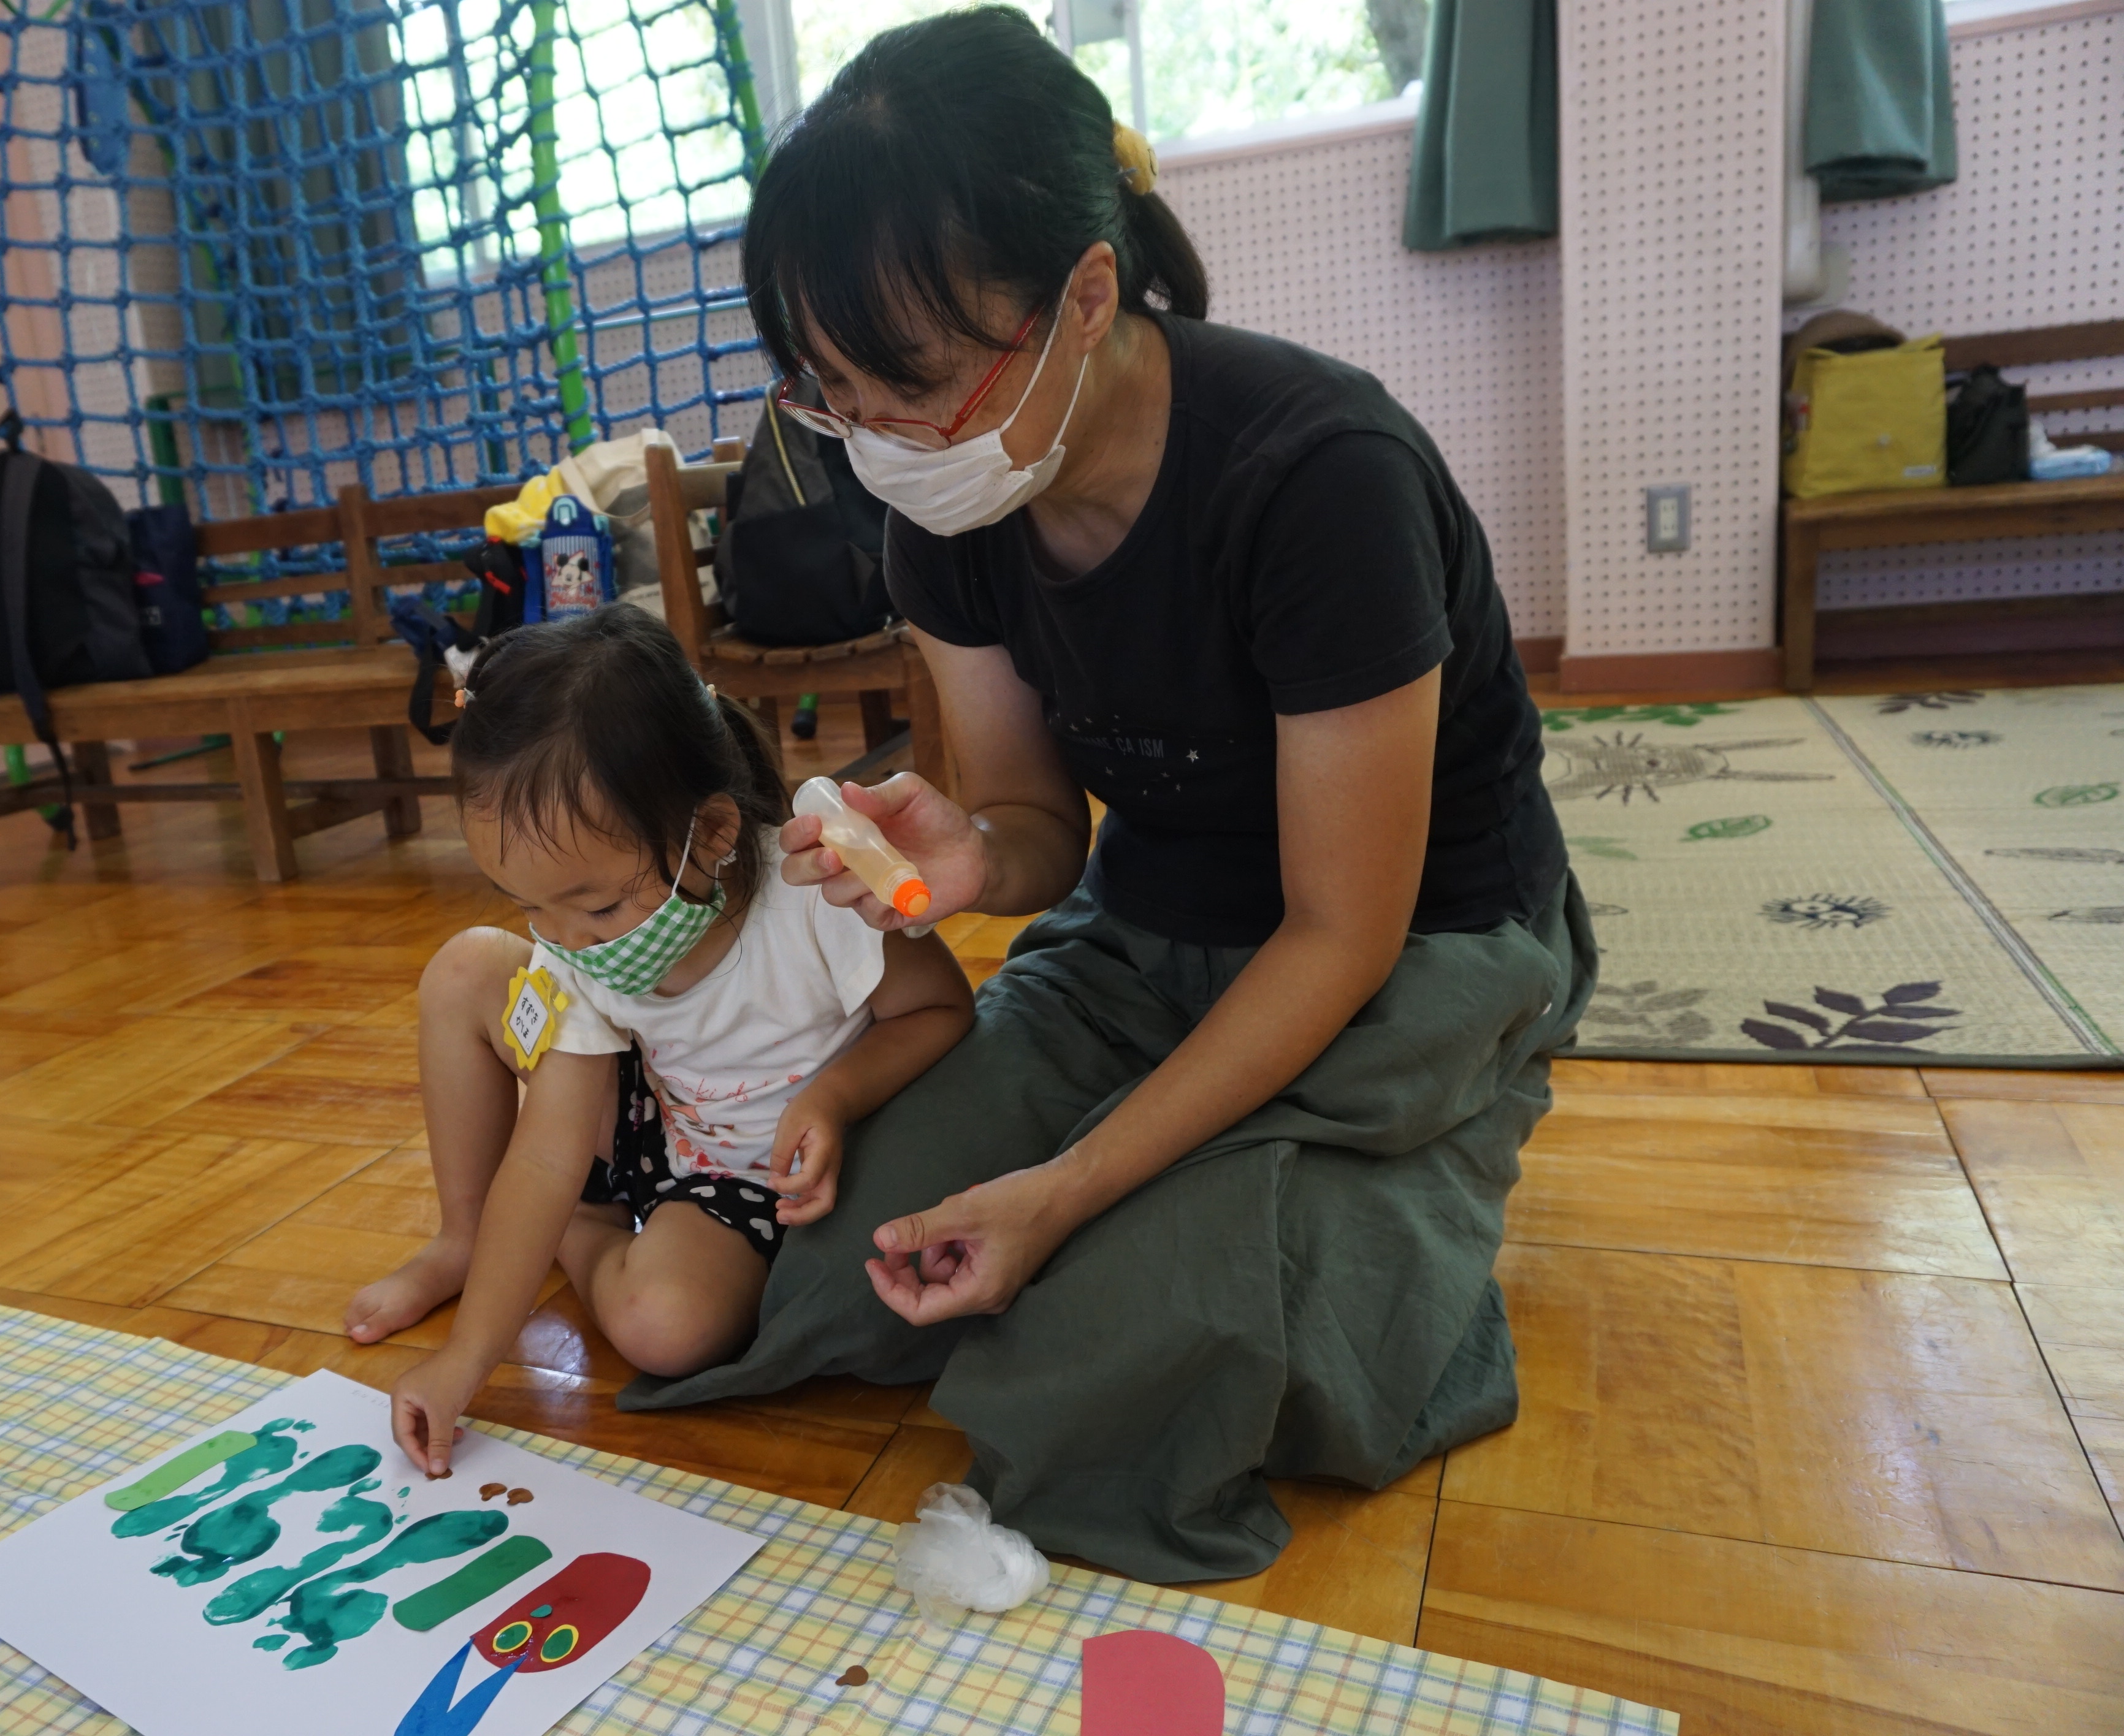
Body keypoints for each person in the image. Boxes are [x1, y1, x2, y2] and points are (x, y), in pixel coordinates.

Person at [619, 6, 1597, 1582]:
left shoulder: (1315, 475)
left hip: (1402, 958)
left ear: (1086, 295)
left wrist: (1066, 1190)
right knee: (820, 1274)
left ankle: (1417, 1194)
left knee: (1110, 1340)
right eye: (827, 391)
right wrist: (961, 855)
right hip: (1147, 934)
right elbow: (1032, 826)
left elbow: (1341, 935)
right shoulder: (943, 502)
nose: (871, 435)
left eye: (911, 382)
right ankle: (1212, 1213)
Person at [346, 607, 976, 1479]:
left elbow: (943, 1010)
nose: (568, 940)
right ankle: (468, 1238)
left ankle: (578, 1227)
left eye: (597, 906)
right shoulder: (579, 950)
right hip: (648, 1115)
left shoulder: (821, 896)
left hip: (746, 1182)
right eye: (528, 903)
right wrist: (465, 1361)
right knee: (466, 970)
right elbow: (543, 1153)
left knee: (666, 1327)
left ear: (713, 834)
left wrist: (834, 1096)